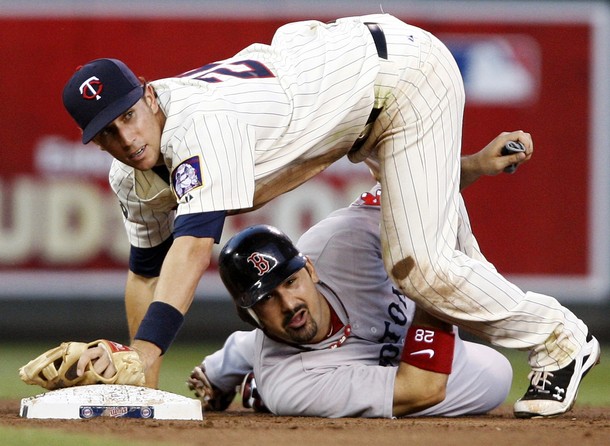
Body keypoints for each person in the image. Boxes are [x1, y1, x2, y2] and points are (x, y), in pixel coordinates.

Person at [60, 13, 598, 418]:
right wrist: (140, 380)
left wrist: (146, 350)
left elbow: (195, 244)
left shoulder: (196, 123)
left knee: (421, 266)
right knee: (427, 256)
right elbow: (146, 273)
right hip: (360, 97)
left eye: (129, 116)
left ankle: (561, 339)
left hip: (403, 76)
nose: (126, 140)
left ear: (150, 97)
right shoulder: (130, 177)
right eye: (107, 132)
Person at [188, 199, 513, 418]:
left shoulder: (338, 240)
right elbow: (421, 390)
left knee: (291, 322)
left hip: (369, 351)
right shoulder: (288, 384)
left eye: (290, 282)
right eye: (266, 298)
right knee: (495, 376)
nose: (288, 302)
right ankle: (253, 381)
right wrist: (430, 284)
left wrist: (471, 167)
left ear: (310, 269)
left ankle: (229, 360)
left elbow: (414, 184)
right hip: (325, 369)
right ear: (249, 316)